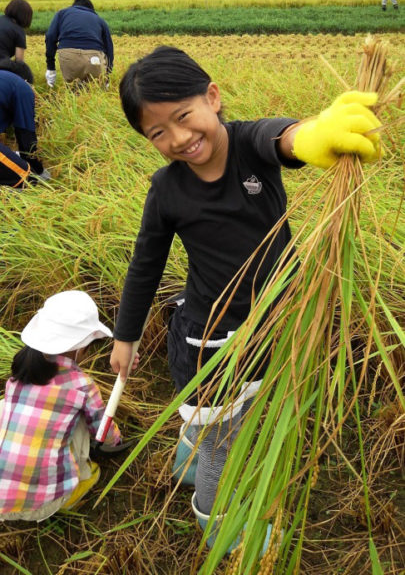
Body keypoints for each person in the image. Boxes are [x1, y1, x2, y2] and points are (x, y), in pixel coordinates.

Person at [109, 46, 382, 549]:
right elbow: (144, 265)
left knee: (234, 419)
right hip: (205, 347)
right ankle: (222, 530)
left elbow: (282, 137)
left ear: (212, 97)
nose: (180, 139)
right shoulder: (166, 191)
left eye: (184, 117)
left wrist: (315, 134)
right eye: (158, 133)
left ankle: (190, 453)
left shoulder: (249, 146)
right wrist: (125, 336)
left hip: (271, 328)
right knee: (222, 447)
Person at [0, 290, 122, 521]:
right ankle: (74, 489)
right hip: (44, 504)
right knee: (79, 423)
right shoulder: (80, 385)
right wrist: (116, 441)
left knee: (7, 408)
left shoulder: (19, 375)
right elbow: (102, 430)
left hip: (2, 501)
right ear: (80, 346)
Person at [45, 0, 114, 87]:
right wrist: (107, 76)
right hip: (94, 58)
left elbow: (50, 37)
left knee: (72, 90)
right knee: (95, 90)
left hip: (68, 57)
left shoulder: (62, 14)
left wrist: (51, 68)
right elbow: (109, 48)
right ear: (90, 9)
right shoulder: (99, 19)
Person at [0, 68, 50, 180]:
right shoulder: (23, 88)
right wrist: (38, 170)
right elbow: (26, 135)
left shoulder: (5, 81)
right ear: (28, 82)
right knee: (23, 177)